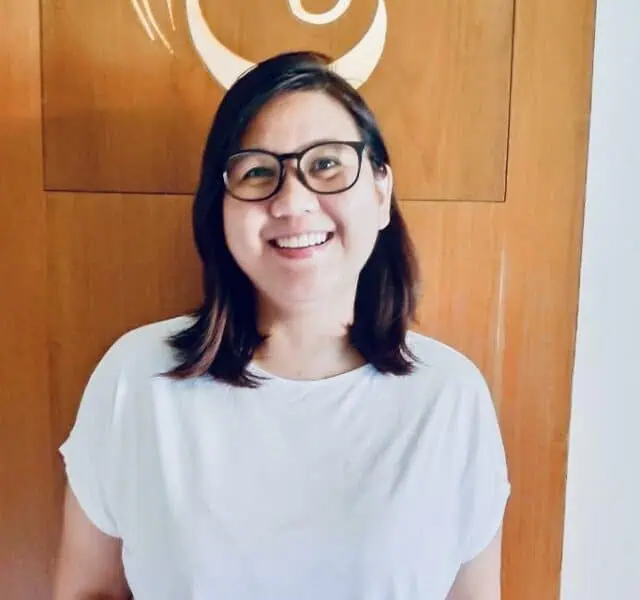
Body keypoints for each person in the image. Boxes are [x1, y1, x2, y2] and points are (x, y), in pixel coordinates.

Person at [53, 51, 511, 600]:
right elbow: (89, 591)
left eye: (327, 165)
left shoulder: (450, 396)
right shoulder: (137, 378)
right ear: (219, 208)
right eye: (258, 172)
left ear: (380, 192)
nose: (293, 202)